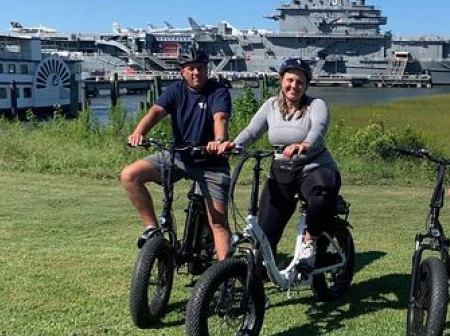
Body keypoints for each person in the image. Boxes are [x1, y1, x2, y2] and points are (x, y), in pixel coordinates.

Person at [216, 58, 341, 271]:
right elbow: (252, 131)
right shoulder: (271, 106)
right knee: (265, 234)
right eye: (290, 80)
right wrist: (234, 145)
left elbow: (318, 128)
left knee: (322, 192)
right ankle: (262, 273)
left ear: (306, 85)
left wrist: (305, 144)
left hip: (313, 168)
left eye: (300, 82)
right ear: (281, 80)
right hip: (282, 170)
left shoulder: (315, 105)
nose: (294, 86)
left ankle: (309, 242)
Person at [120, 46, 232, 261]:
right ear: (182, 71)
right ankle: (153, 229)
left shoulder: (218, 91)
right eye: (190, 69)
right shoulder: (176, 90)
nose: (196, 73)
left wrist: (219, 141)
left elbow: (220, 118)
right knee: (130, 175)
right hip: (178, 157)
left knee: (217, 221)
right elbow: (155, 112)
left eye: (200, 68)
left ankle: (224, 276)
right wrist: (138, 133)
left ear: (207, 69)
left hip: (211, 163)